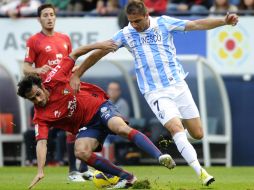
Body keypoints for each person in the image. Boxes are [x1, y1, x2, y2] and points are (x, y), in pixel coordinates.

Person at [70, 0, 239, 186]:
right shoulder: (126, 34)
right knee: (176, 127)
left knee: (198, 133)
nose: (134, 25)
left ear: (147, 16)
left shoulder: (164, 23)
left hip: (178, 85)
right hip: (154, 91)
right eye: (131, 21)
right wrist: (78, 73)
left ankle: (181, 140)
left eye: (137, 21)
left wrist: (224, 21)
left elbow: (196, 24)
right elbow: (99, 53)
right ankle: (201, 173)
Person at [17, 40, 176, 190]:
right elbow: (41, 143)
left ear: (41, 86)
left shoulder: (55, 77)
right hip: (86, 126)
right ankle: (127, 178)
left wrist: (101, 45)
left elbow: (76, 53)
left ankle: (160, 156)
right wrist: (40, 170)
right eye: (33, 99)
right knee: (81, 152)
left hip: (99, 107)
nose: (38, 100)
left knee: (119, 127)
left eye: (38, 94)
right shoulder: (40, 116)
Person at [23, 3, 93, 182]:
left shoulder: (64, 38)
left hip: (67, 87)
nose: (49, 18)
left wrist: (75, 72)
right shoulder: (34, 41)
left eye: (51, 15)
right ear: (39, 19)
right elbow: (25, 68)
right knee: (69, 130)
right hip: (49, 93)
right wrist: (38, 70)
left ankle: (84, 168)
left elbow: (69, 61)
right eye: (45, 15)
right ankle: (72, 171)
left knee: (81, 125)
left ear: (55, 17)